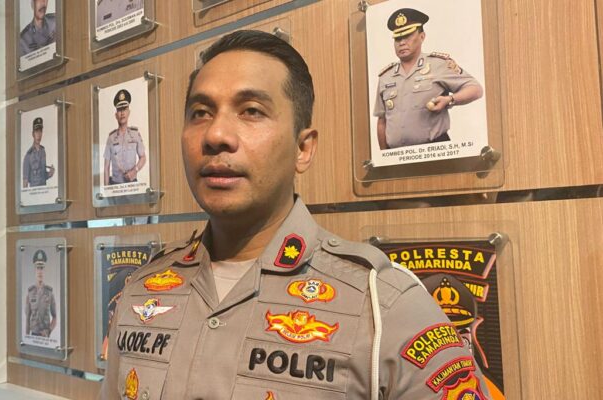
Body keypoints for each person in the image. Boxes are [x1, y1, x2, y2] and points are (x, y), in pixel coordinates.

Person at [100, 30, 491, 399]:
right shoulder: (142, 290)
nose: (216, 135)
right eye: (200, 112)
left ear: (303, 149)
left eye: (251, 111)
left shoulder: (384, 307)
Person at [374, 8, 484, 150]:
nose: (402, 42)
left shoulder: (438, 64)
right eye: (398, 38)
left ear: (422, 36)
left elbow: (475, 89)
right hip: (397, 154)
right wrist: (384, 157)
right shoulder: (386, 76)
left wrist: (449, 99)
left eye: (407, 36)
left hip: (433, 150)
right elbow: (382, 120)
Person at [103, 89, 147, 185]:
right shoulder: (111, 138)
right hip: (115, 185)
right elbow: (106, 167)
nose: (122, 113)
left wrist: (135, 171)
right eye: (119, 110)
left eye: (124, 109)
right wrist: (106, 189)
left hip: (132, 185)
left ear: (129, 112)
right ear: (116, 115)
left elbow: (143, 157)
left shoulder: (135, 134)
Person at [25, 250, 57, 337]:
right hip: (33, 336)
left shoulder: (49, 293)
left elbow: (55, 317)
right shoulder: (30, 293)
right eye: (37, 268)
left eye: (42, 268)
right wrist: (27, 337)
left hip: (45, 337)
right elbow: (27, 318)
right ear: (35, 270)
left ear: (44, 270)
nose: (40, 271)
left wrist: (49, 331)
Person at [22, 117, 55, 187]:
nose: (39, 135)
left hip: (44, 190)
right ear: (33, 134)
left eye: (40, 131)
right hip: (34, 192)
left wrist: (49, 174)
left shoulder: (43, 151)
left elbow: (42, 175)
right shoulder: (28, 155)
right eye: (36, 131)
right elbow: (25, 181)